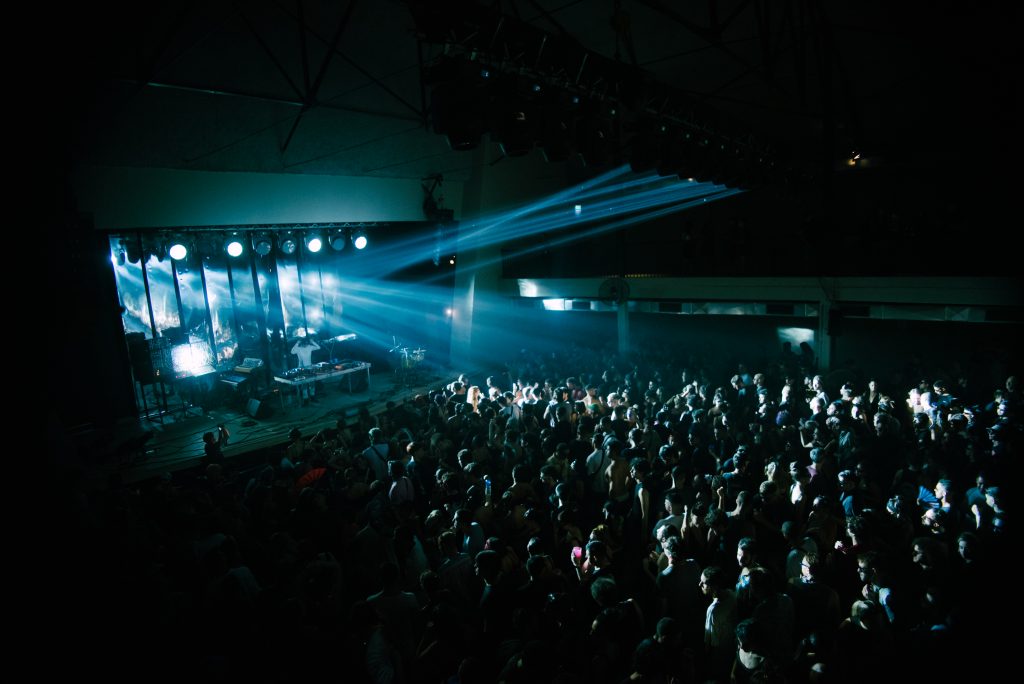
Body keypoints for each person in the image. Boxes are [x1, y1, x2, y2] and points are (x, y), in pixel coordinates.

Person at [290, 335, 321, 405]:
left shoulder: (309, 347)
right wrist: (297, 343)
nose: (305, 344)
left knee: (312, 383)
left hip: (310, 367)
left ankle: (312, 397)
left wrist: (312, 341)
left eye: (306, 342)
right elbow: (292, 352)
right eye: (303, 342)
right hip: (301, 368)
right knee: (304, 384)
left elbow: (318, 347)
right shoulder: (298, 348)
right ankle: (306, 399)